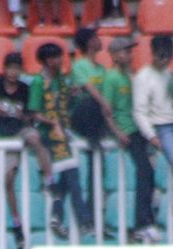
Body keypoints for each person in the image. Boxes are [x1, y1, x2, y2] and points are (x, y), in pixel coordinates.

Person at [0, 52, 50, 248]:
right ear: (4, 69)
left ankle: (49, 179)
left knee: (35, 138)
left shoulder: (24, 89)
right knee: (7, 182)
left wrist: (23, 116)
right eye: (10, 68)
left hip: (22, 130)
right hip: (7, 137)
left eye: (17, 68)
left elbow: (31, 116)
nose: (13, 72)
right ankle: (17, 223)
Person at [29, 42, 92, 240]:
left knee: (66, 179)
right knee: (73, 179)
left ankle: (57, 216)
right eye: (55, 57)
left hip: (64, 134)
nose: (59, 61)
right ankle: (84, 221)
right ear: (47, 60)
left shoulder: (61, 81)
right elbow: (33, 113)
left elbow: (64, 105)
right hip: (50, 136)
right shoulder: (39, 82)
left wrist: (73, 96)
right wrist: (52, 122)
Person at [133, 36, 173, 235]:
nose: (165, 60)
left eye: (168, 57)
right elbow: (139, 111)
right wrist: (151, 135)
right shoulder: (143, 77)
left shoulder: (170, 74)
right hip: (161, 127)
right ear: (153, 54)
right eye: (161, 56)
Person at [103, 37, 158, 243]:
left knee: (148, 172)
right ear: (115, 55)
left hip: (136, 128)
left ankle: (146, 220)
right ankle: (142, 223)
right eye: (126, 51)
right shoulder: (112, 78)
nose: (130, 55)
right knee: (144, 171)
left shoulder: (127, 75)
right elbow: (107, 109)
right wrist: (117, 132)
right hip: (127, 130)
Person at [70, 28, 116, 216]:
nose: (100, 41)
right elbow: (90, 89)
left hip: (98, 119)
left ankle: (94, 213)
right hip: (82, 117)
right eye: (96, 38)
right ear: (89, 42)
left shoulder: (101, 69)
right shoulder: (79, 65)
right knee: (92, 101)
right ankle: (94, 136)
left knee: (97, 170)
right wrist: (104, 103)